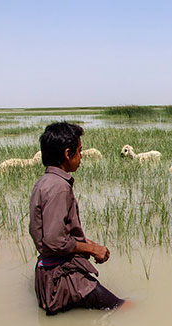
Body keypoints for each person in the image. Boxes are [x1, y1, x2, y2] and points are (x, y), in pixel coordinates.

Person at [29, 122, 127, 315]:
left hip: (49, 274)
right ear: (68, 154)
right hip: (63, 278)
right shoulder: (59, 187)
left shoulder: (44, 182)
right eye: (80, 151)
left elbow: (54, 234)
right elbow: (55, 240)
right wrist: (92, 248)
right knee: (123, 308)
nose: (81, 157)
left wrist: (92, 246)